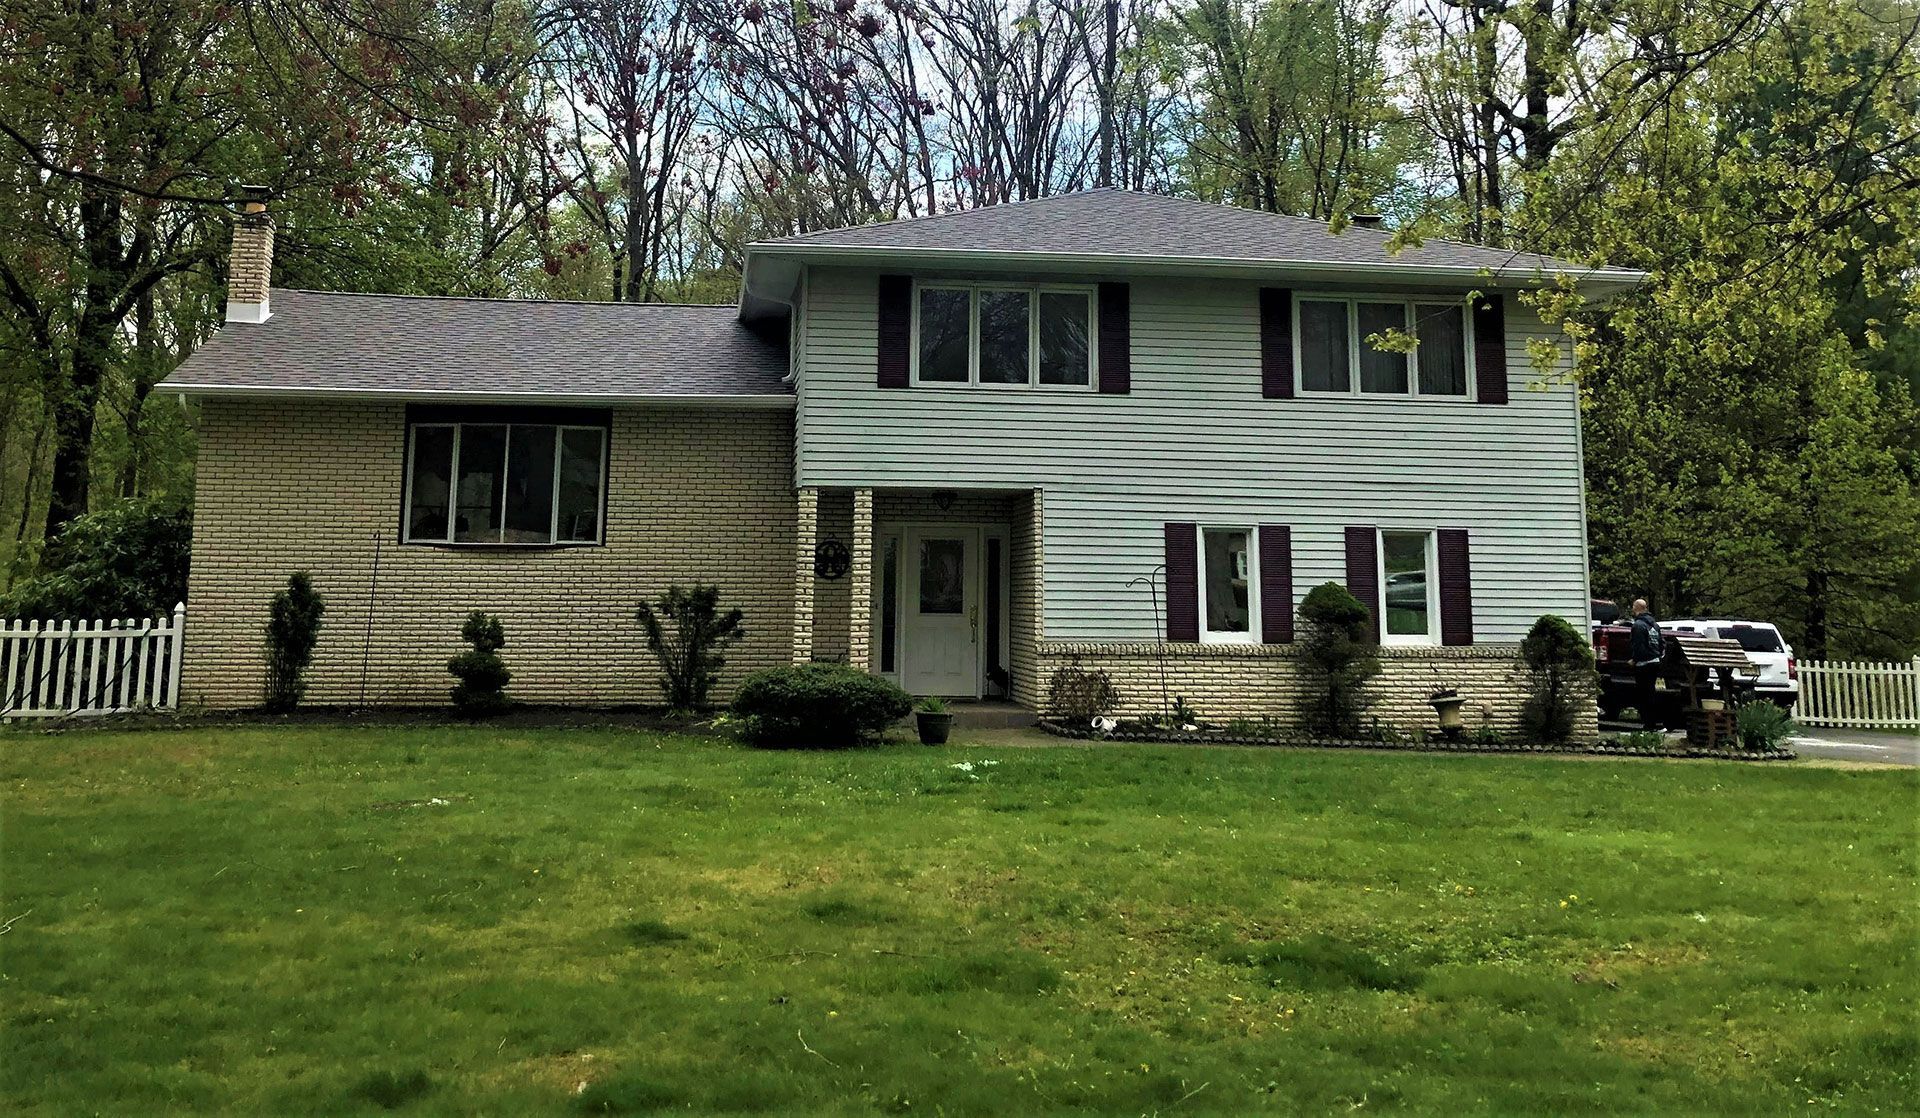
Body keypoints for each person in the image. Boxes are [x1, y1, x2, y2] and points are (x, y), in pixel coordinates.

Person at [1629, 598, 1665, 731]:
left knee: (1643, 696)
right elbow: (1662, 644)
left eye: (1633, 606)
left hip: (1643, 664)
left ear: (1637, 608)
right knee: (1651, 693)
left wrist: (1634, 659)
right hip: (1655, 662)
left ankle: (1648, 725)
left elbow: (1638, 645)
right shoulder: (1655, 625)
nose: (1632, 609)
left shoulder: (1638, 625)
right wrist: (1658, 656)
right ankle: (1655, 723)